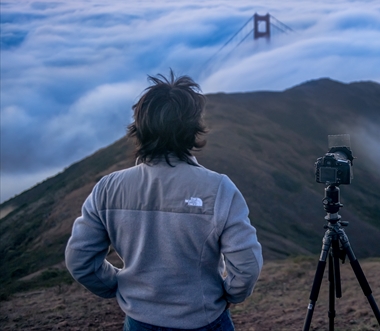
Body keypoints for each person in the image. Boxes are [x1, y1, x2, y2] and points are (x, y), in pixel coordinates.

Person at [65, 72, 262, 331]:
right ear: (193, 129)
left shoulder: (107, 188)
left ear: (140, 127)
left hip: (139, 321)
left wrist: (118, 285)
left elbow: (79, 259)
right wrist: (229, 295)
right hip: (204, 320)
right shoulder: (218, 188)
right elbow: (246, 267)